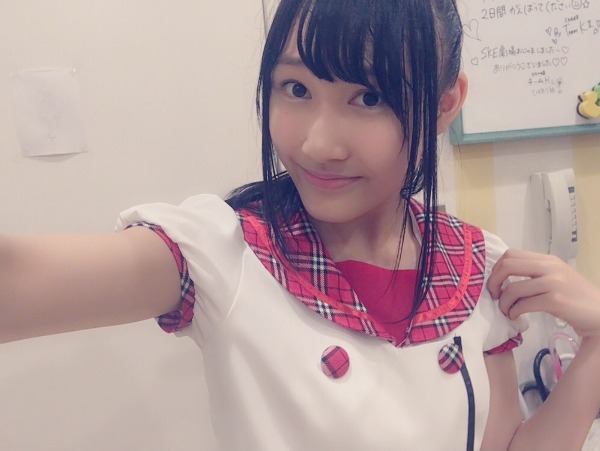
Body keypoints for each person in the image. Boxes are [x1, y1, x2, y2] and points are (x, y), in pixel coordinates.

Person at [1, 0, 600, 450]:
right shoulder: (222, 253)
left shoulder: (475, 265)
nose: (317, 143)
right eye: (295, 89)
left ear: (445, 105)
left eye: (369, 98)